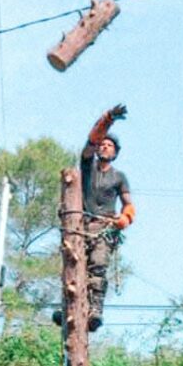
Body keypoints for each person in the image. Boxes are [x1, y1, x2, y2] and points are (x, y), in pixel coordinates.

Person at [55, 104, 135, 332]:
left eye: (109, 145)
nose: (104, 147)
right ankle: (68, 307)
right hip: (81, 225)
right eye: (103, 144)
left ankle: (95, 309)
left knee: (97, 266)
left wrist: (125, 219)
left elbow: (128, 204)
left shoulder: (119, 177)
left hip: (105, 226)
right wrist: (107, 119)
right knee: (73, 263)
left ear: (115, 152)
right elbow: (90, 142)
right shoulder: (87, 166)